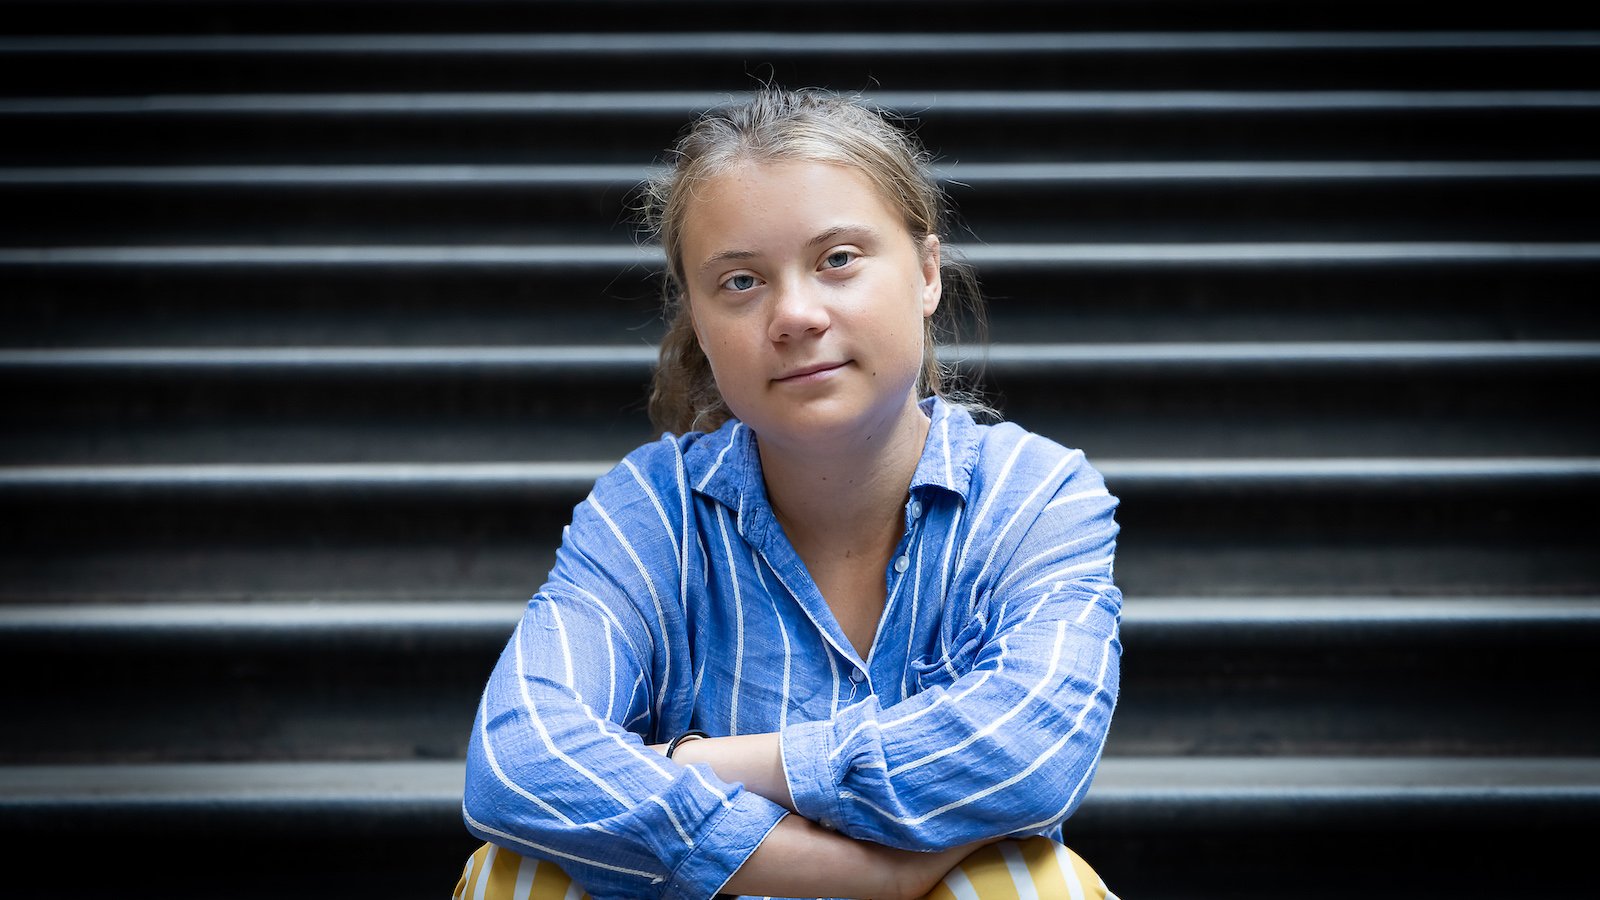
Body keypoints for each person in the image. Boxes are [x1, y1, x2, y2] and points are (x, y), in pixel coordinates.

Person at [456, 87, 1123, 900]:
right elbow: (518, 760)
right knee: (515, 872)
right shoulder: (652, 511)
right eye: (740, 281)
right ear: (698, 322)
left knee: (1030, 884)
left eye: (838, 259)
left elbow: (1029, 751)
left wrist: (703, 762)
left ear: (925, 272)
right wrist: (853, 875)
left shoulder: (1036, 498)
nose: (795, 314)